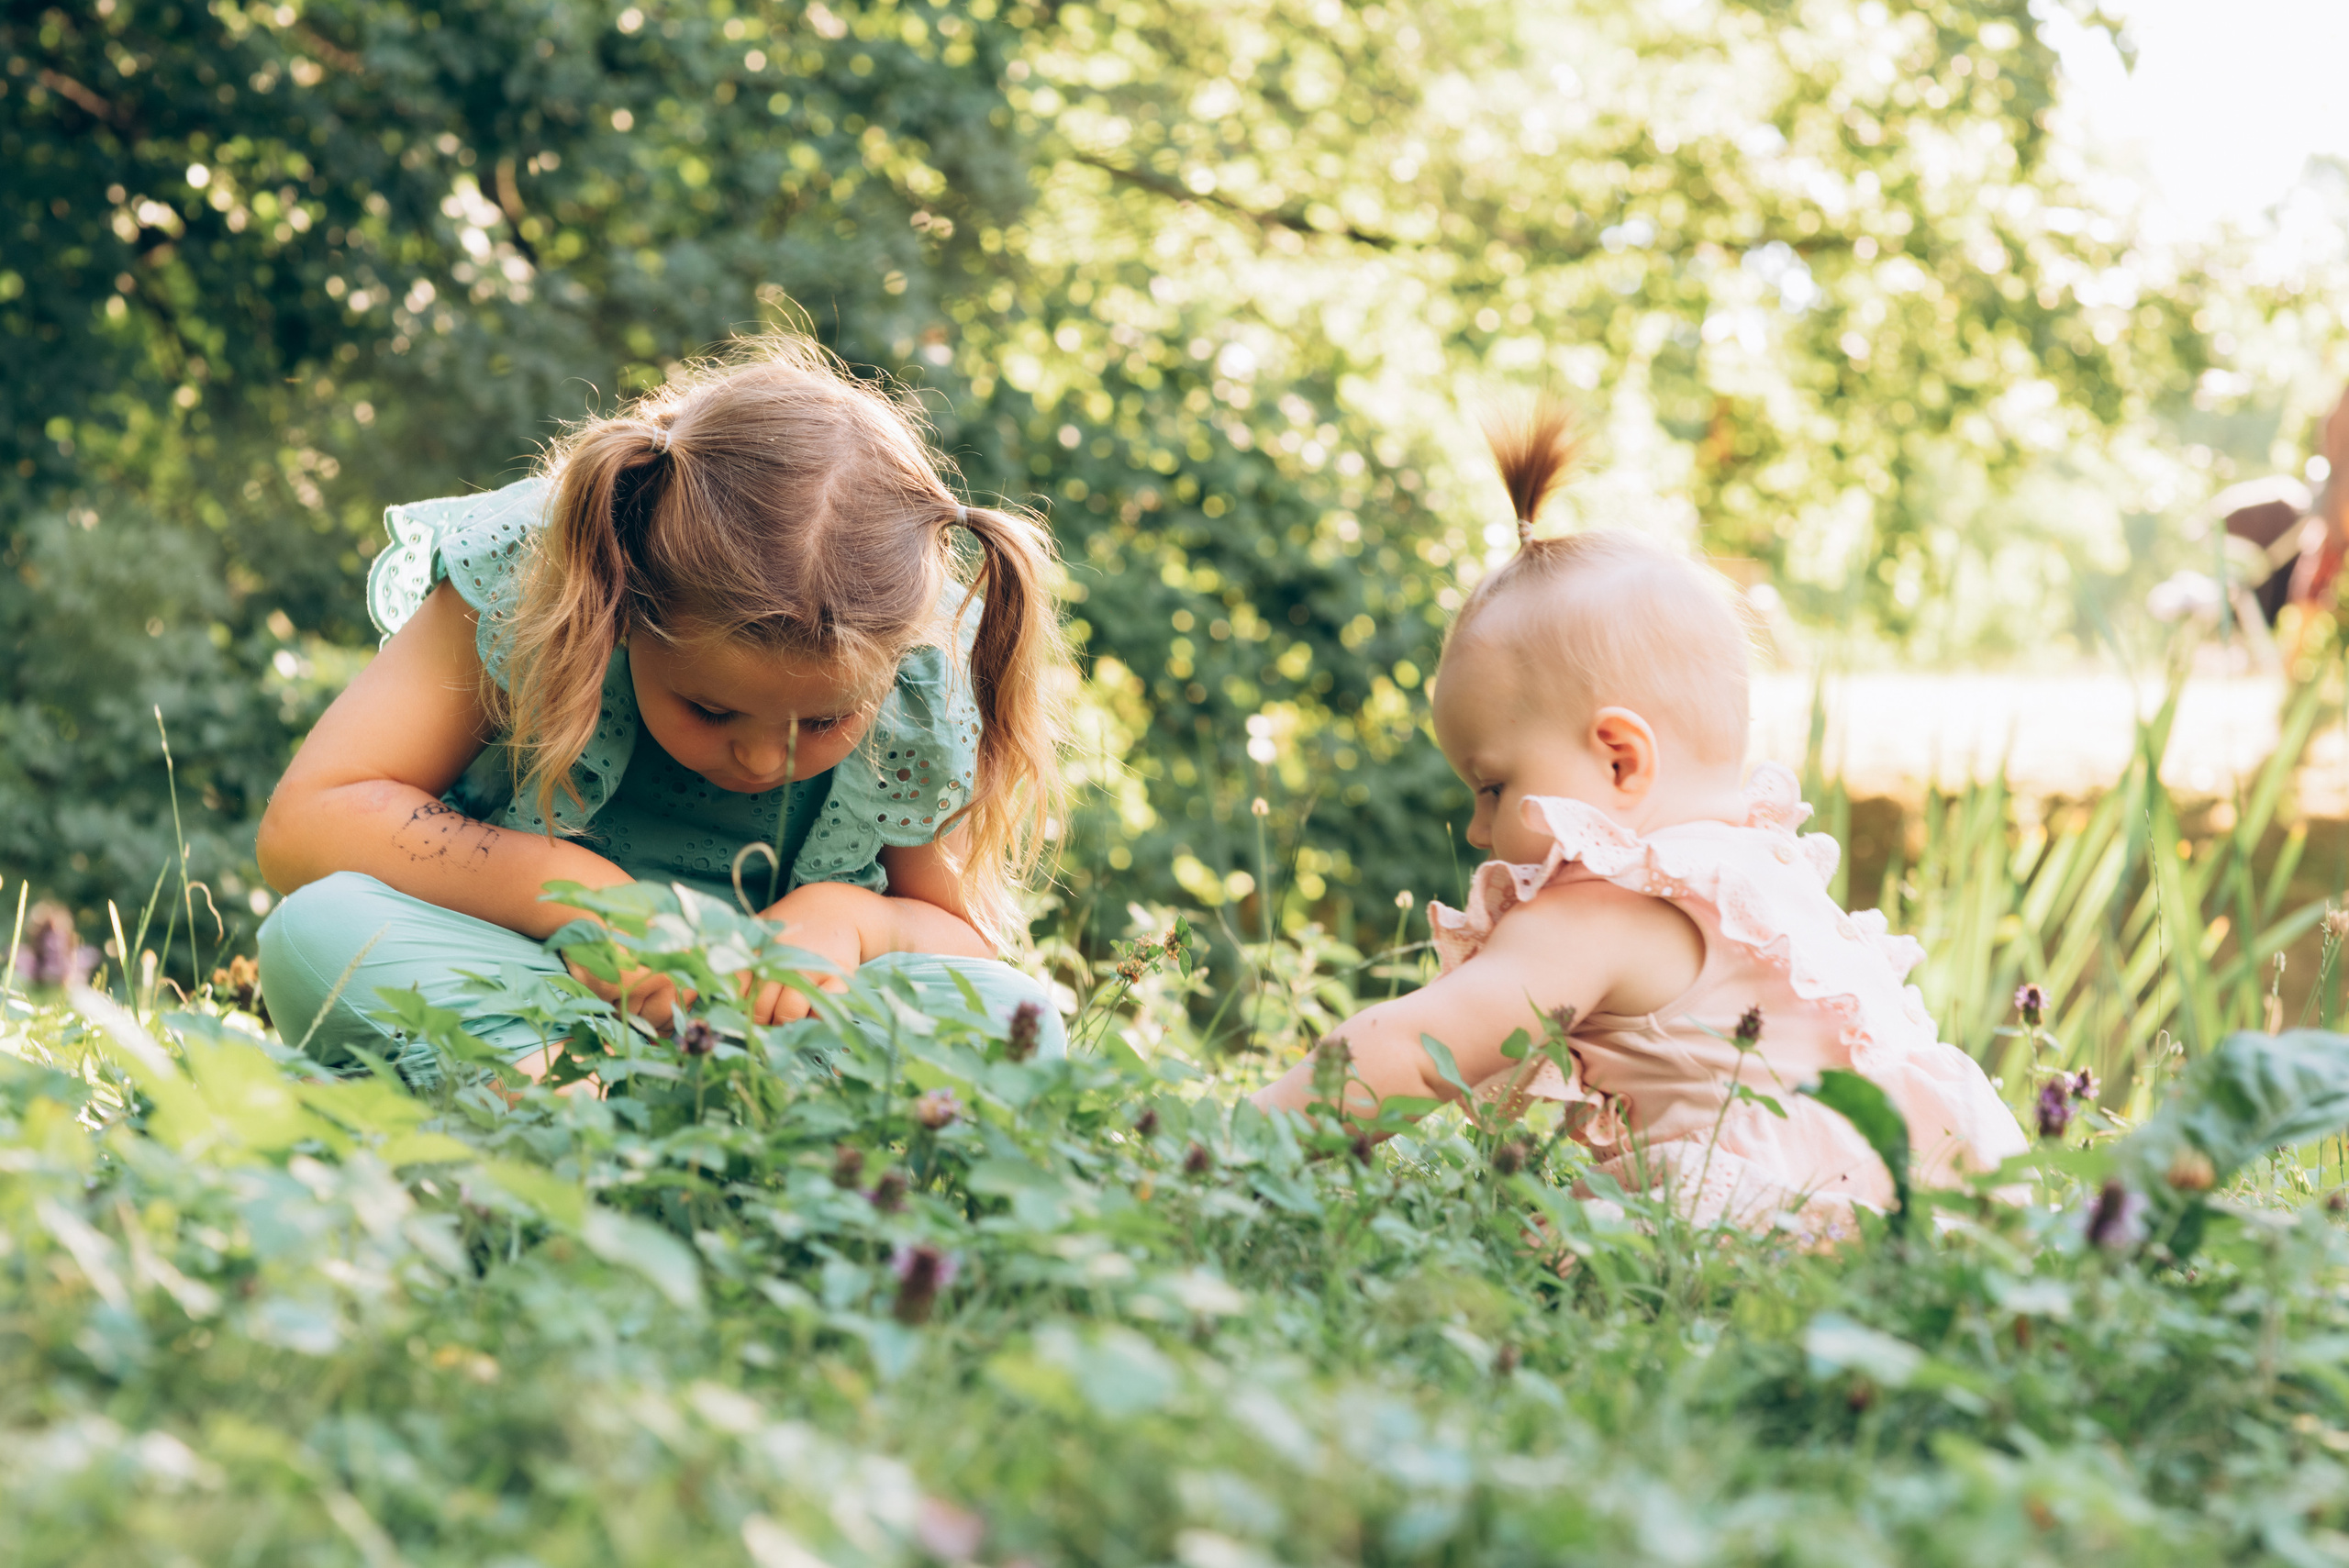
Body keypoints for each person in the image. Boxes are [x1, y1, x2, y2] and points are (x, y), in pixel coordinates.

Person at [1253, 408, 2025, 1239]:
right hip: (1926, 1214)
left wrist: (1233, 1144)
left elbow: (1413, 1050)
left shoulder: (1606, 906)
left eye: (1491, 786)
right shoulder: (1760, 882)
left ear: (1619, 760)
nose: (1478, 831)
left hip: (1773, 1240)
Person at [254, 334, 1070, 1081]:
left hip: (777, 1028)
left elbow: (963, 943)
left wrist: (849, 921)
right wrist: (577, 896)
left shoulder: (923, 674)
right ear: (629, 608)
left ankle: (611, 1108)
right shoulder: (539, 572)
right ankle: (573, 1093)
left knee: (1017, 1020)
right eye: (712, 710)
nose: (759, 758)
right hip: (531, 979)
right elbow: (310, 823)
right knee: (317, 930)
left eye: (822, 723)